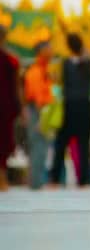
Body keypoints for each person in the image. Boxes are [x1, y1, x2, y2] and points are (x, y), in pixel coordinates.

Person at [50, 33, 90, 187]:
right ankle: (83, 180)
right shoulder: (88, 62)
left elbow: (56, 79)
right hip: (84, 107)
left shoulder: (64, 63)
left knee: (61, 144)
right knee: (83, 145)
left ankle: (54, 179)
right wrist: (87, 52)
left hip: (69, 106)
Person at [24, 41, 54, 190]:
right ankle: (36, 183)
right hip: (38, 111)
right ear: (41, 51)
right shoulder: (35, 72)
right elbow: (37, 96)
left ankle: (37, 181)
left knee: (41, 146)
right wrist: (42, 117)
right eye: (49, 49)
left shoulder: (44, 70)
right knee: (38, 146)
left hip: (43, 110)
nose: (52, 51)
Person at [0, 25, 21, 191]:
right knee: (4, 142)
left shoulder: (10, 60)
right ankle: (2, 178)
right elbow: (16, 88)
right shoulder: (11, 59)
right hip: (6, 105)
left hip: (5, 106)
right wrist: (19, 107)